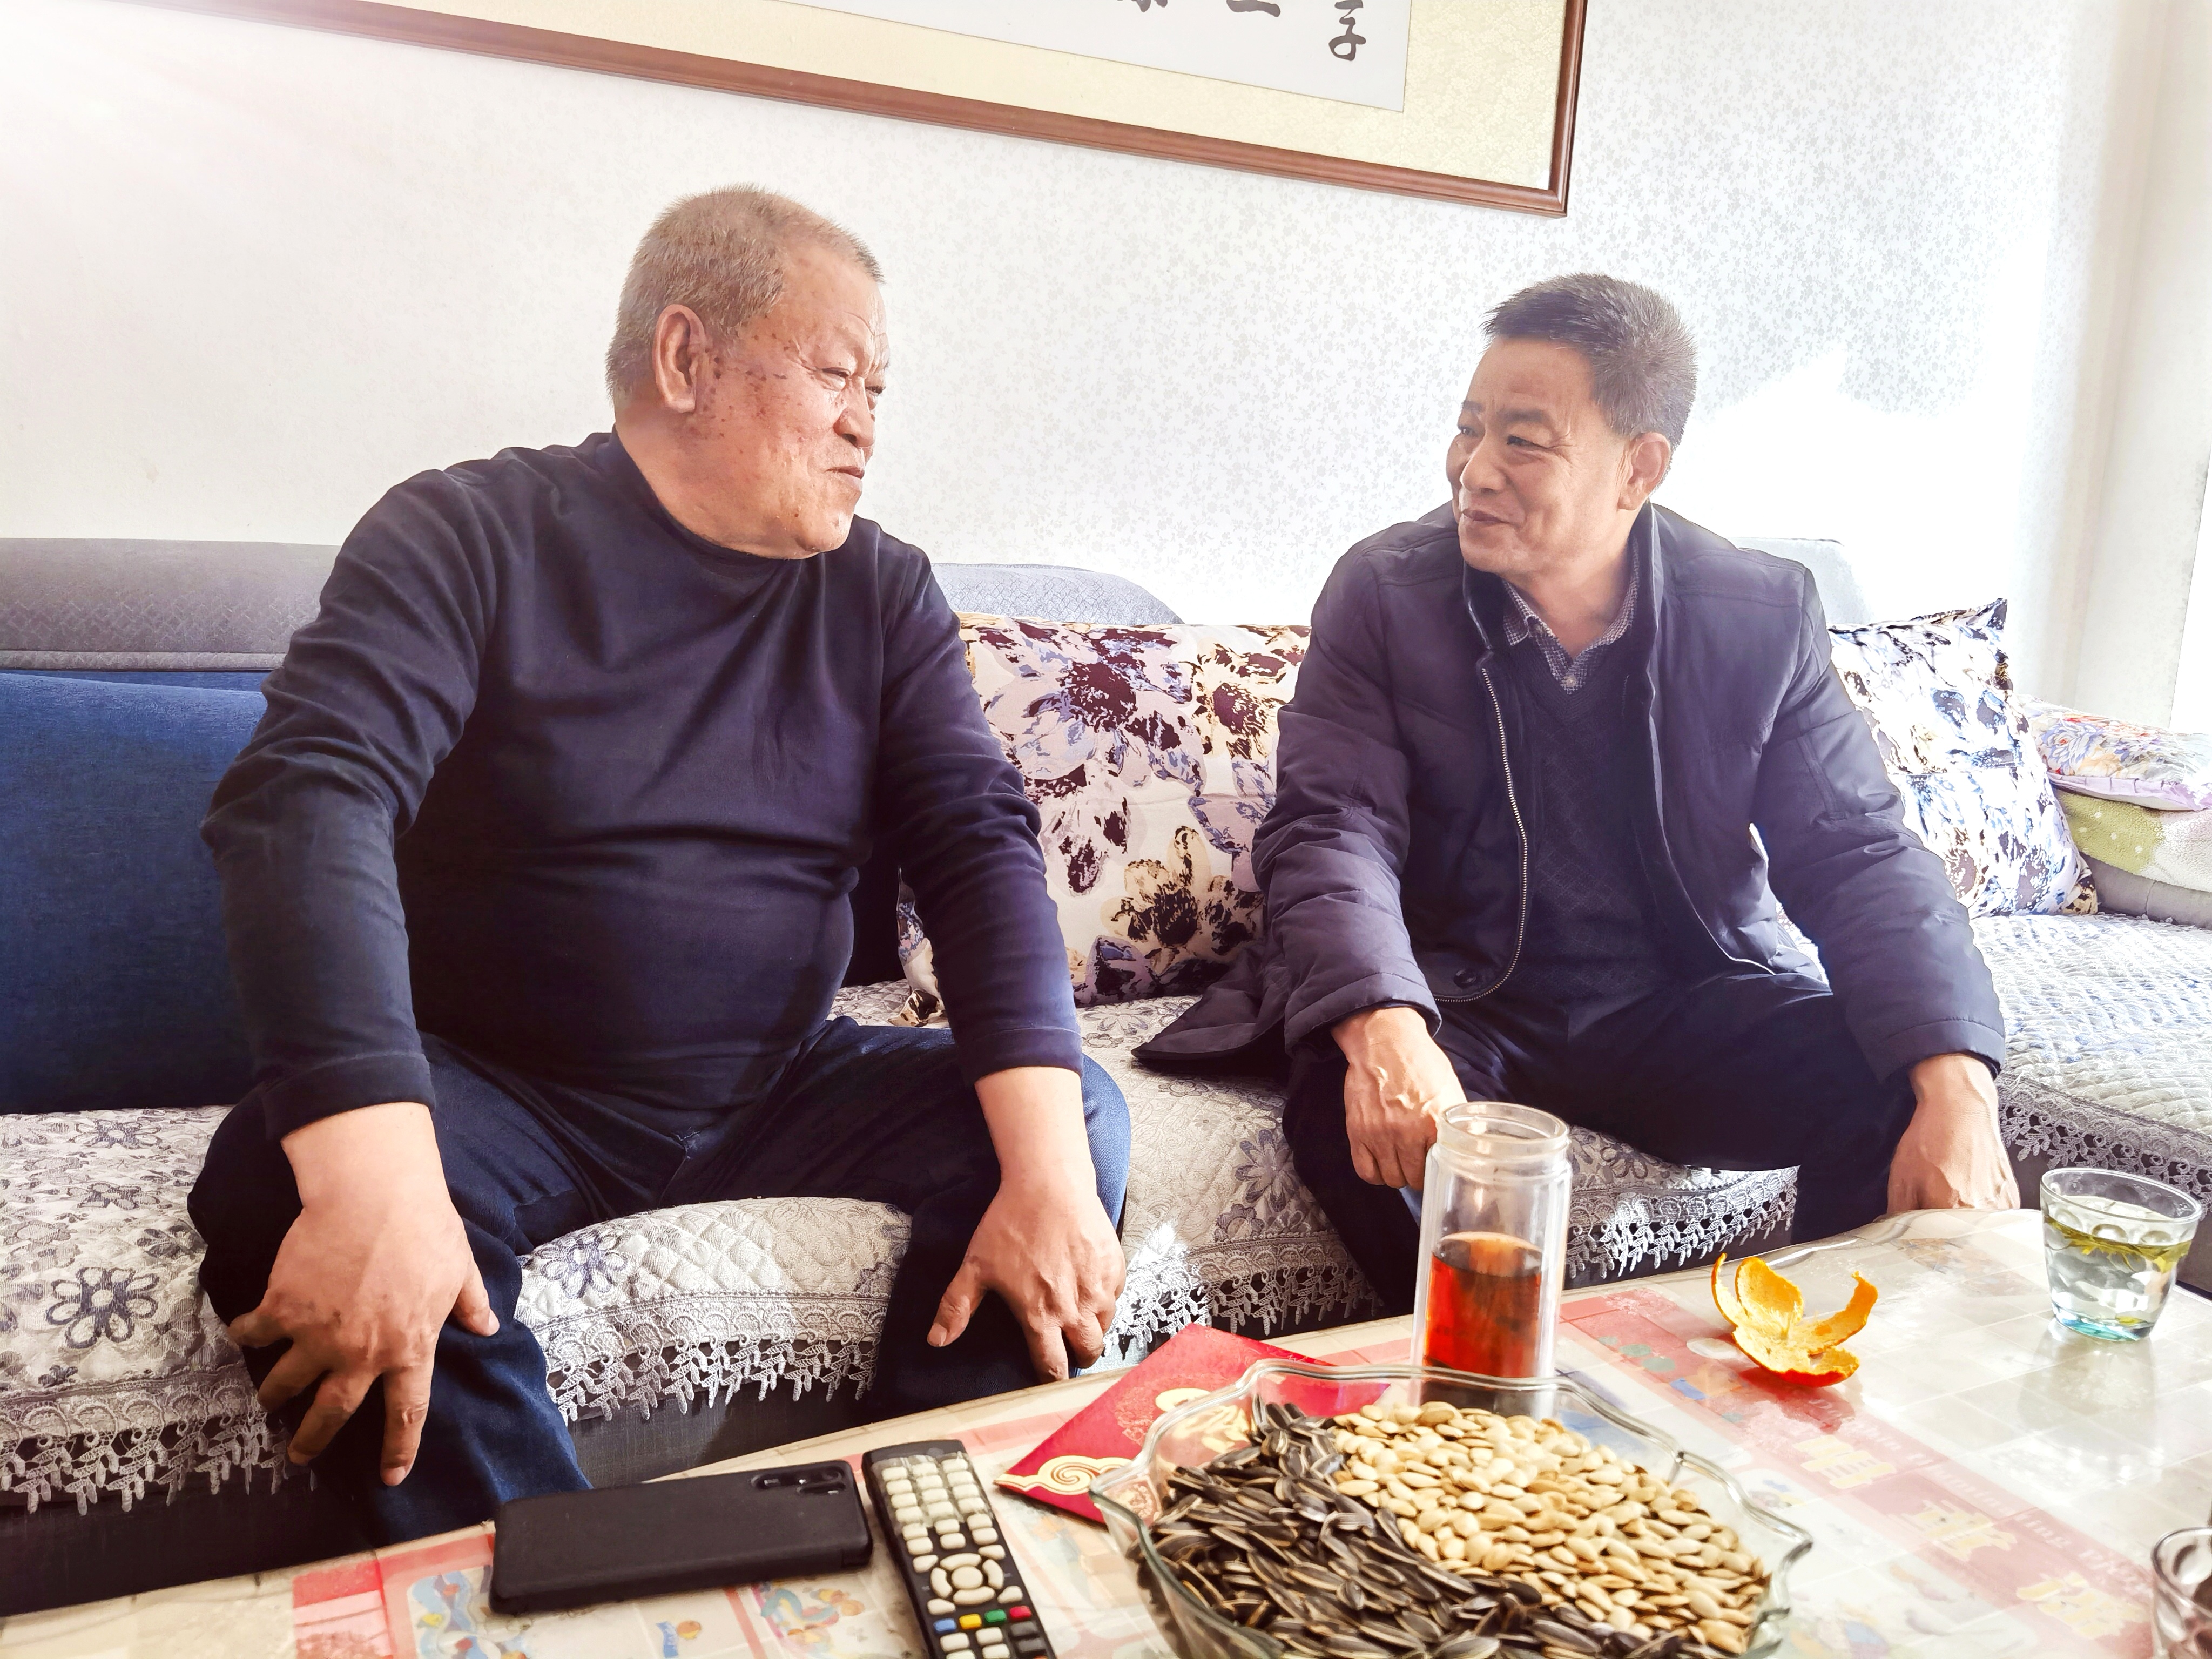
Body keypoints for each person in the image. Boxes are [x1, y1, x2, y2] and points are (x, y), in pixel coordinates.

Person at [189, 187, 1130, 1541]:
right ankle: (554, 1588)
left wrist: (1045, 1179)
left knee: (1064, 1127)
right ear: (687, 359)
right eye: (836, 376)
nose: (867, 424)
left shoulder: (881, 592)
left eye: (878, 390)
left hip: (782, 1084)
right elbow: (308, 796)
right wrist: (376, 1176)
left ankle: (915, 1534)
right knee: (281, 1175)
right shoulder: (468, 533)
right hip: (509, 1089)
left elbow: (977, 847)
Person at [1136, 273, 2015, 1310]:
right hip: (1456, 995)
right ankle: (1499, 1389)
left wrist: (1958, 1079)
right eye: (1469, 429)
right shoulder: (1386, 592)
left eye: (1523, 441)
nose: (1474, 470)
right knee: (1346, 1112)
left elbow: (1856, 850)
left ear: (1638, 468)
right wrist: (1383, 1025)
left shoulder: (1760, 615)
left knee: (1902, 1086)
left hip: (1676, 1000)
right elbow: (1333, 826)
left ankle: (1791, 1365)